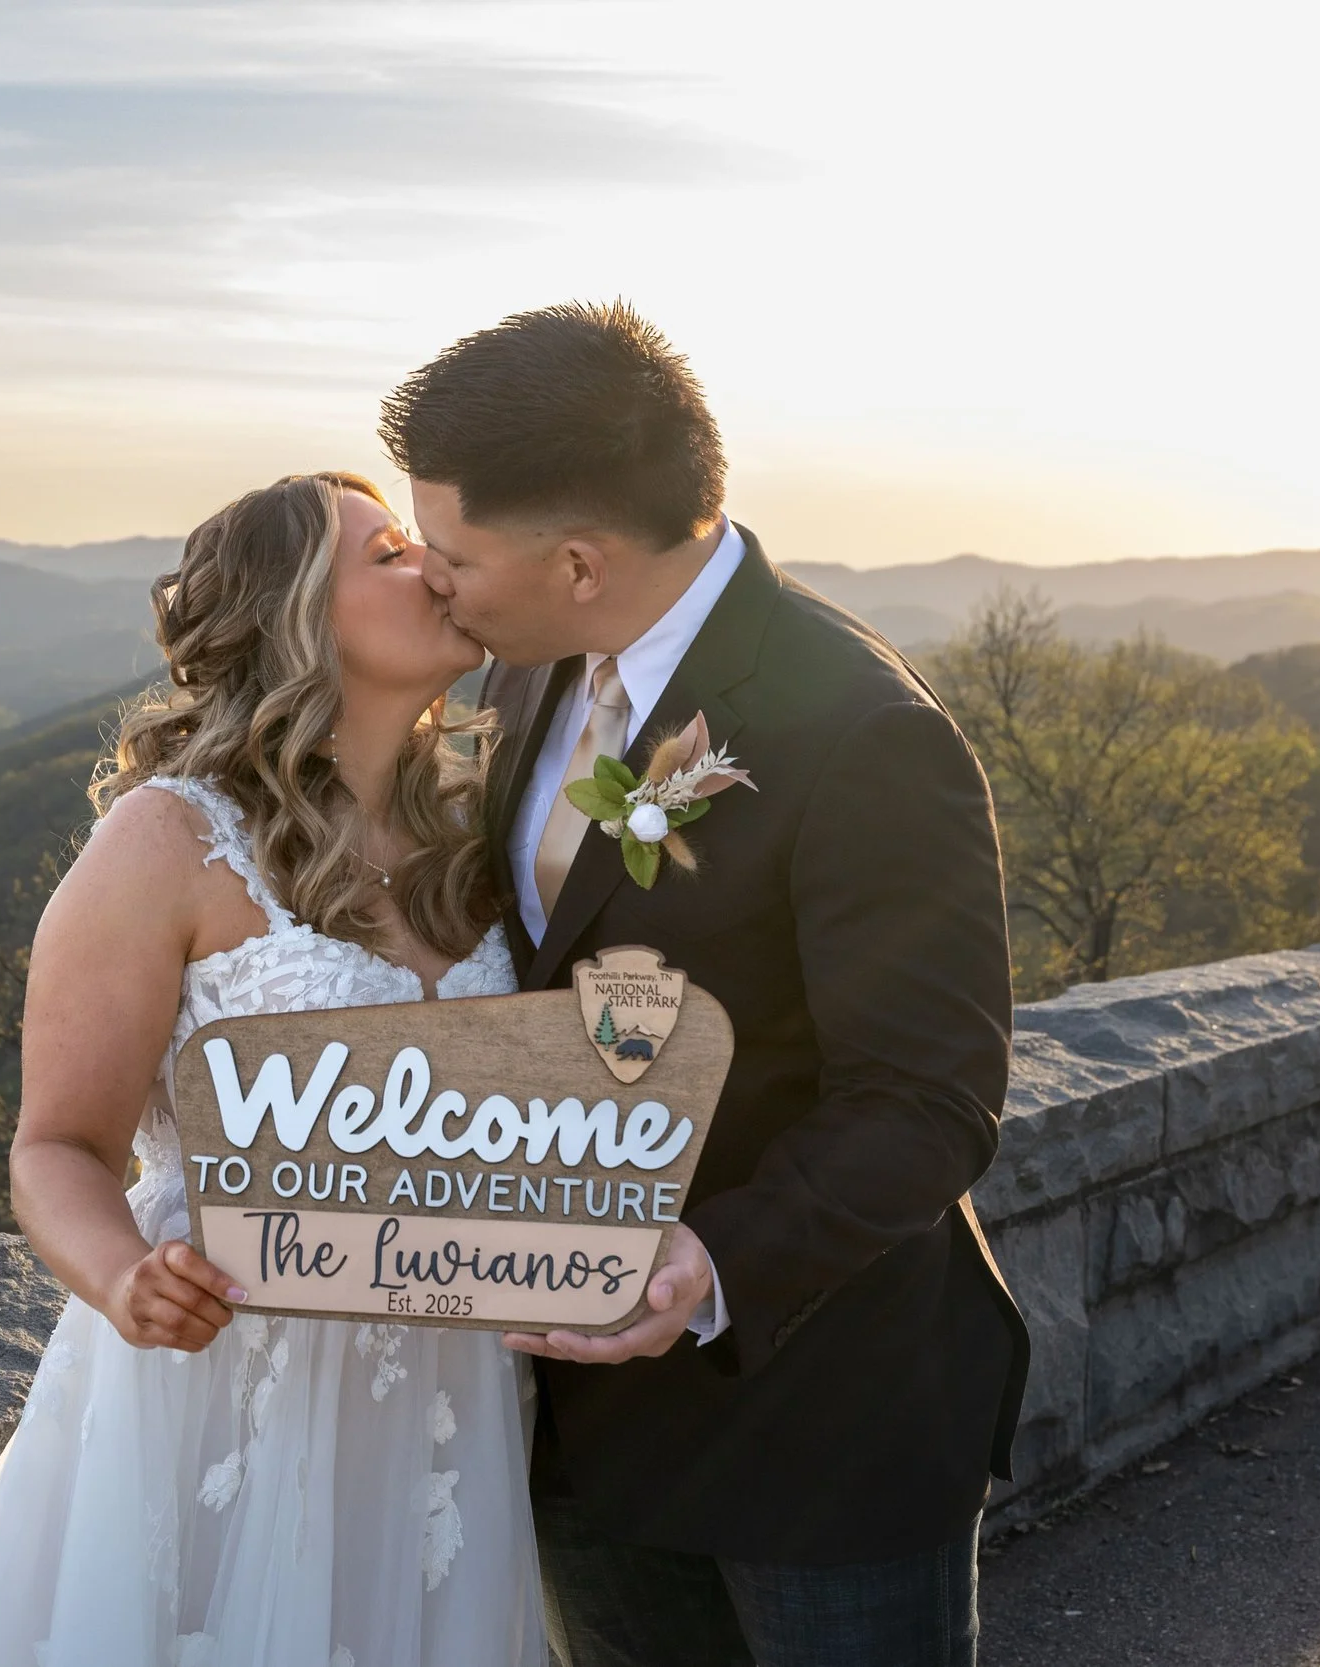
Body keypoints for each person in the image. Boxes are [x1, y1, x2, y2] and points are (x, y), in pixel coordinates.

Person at [385, 302, 1031, 1667]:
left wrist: (706, 1262)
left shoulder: (863, 731)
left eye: (449, 551)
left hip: (818, 1417)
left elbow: (928, 1099)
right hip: (579, 1424)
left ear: (576, 560)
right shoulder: (522, 676)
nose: (433, 579)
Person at [0, 472, 552, 1667]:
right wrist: (124, 1276)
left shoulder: (478, 835)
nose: (437, 566)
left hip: (443, 1388)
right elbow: (57, 1147)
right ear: (298, 616)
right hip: (230, 1365)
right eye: (391, 553)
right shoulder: (169, 840)